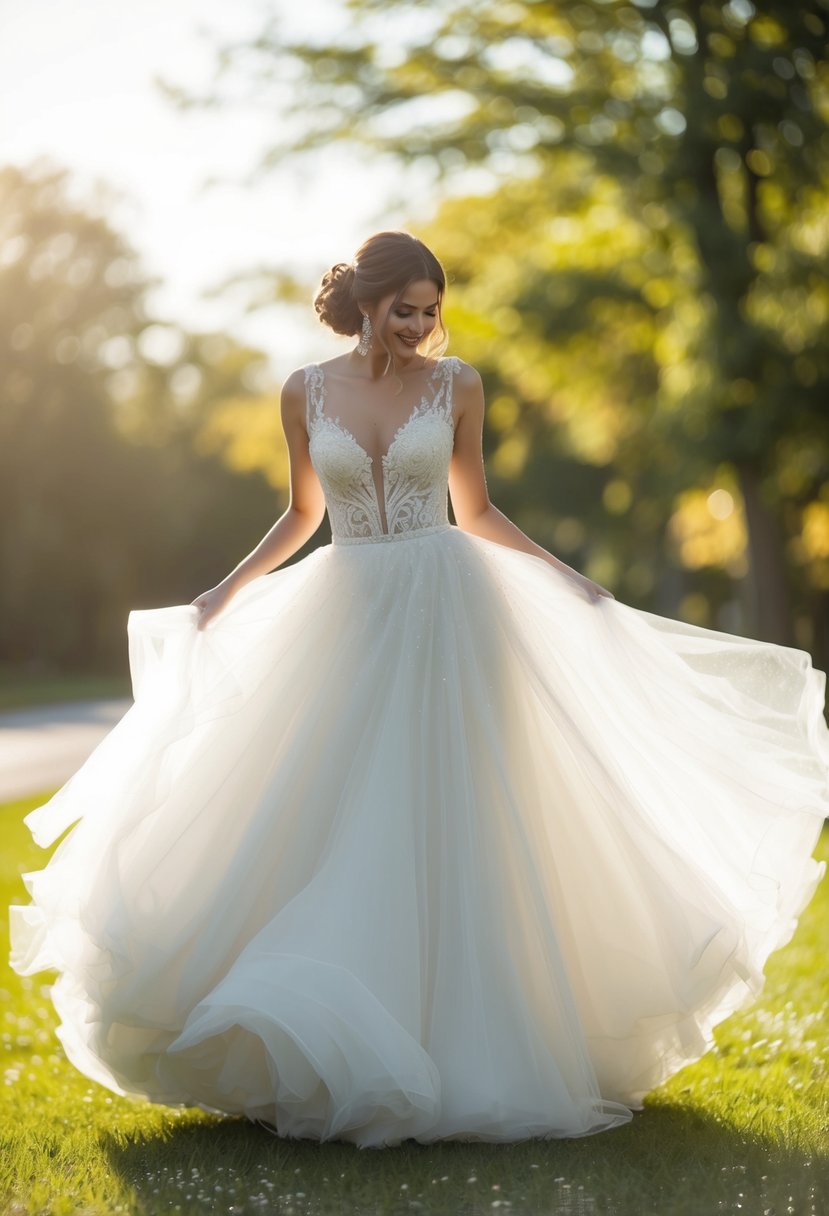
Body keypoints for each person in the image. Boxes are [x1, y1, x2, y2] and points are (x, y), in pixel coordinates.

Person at [9, 230, 829, 1150]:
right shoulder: (303, 390)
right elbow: (303, 513)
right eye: (407, 308)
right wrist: (224, 590)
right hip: (347, 612)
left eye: (433, 311)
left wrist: (569, 579)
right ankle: (325, 1040)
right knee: (335, 813)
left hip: (449, 613)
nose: (422, 327)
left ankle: (471, 1041)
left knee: (462, 816)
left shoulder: (458, 385)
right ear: (367, 301)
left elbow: (472, 510)